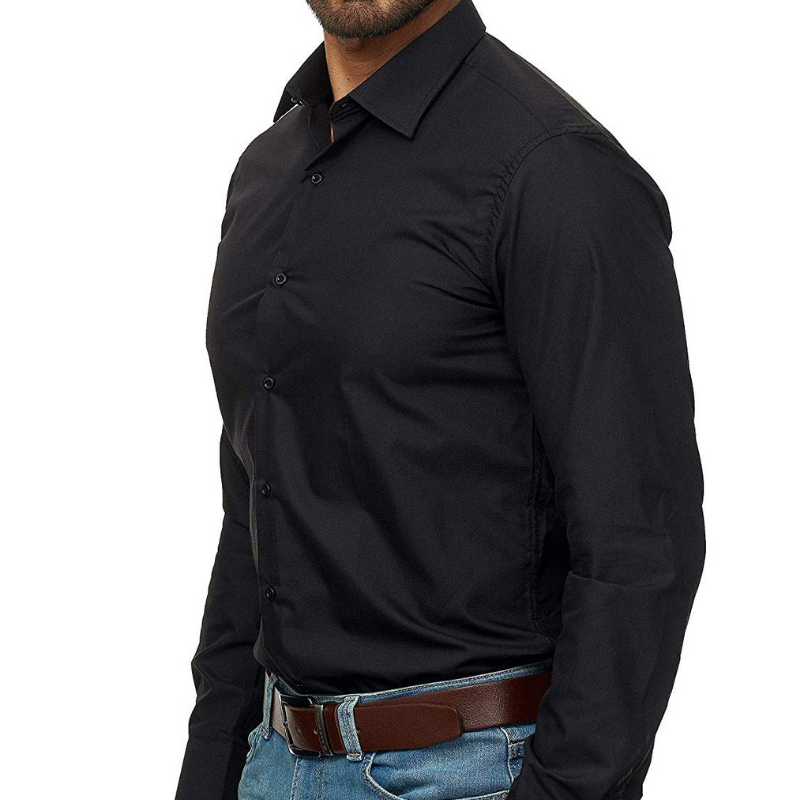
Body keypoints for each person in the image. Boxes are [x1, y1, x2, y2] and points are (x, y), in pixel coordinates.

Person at [174, 1, 705, 798]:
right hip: (272, 760)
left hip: (473, 772)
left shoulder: (556, 170)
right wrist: (211, 767)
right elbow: (255, 498)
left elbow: (639, 547)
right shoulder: (266, 169)